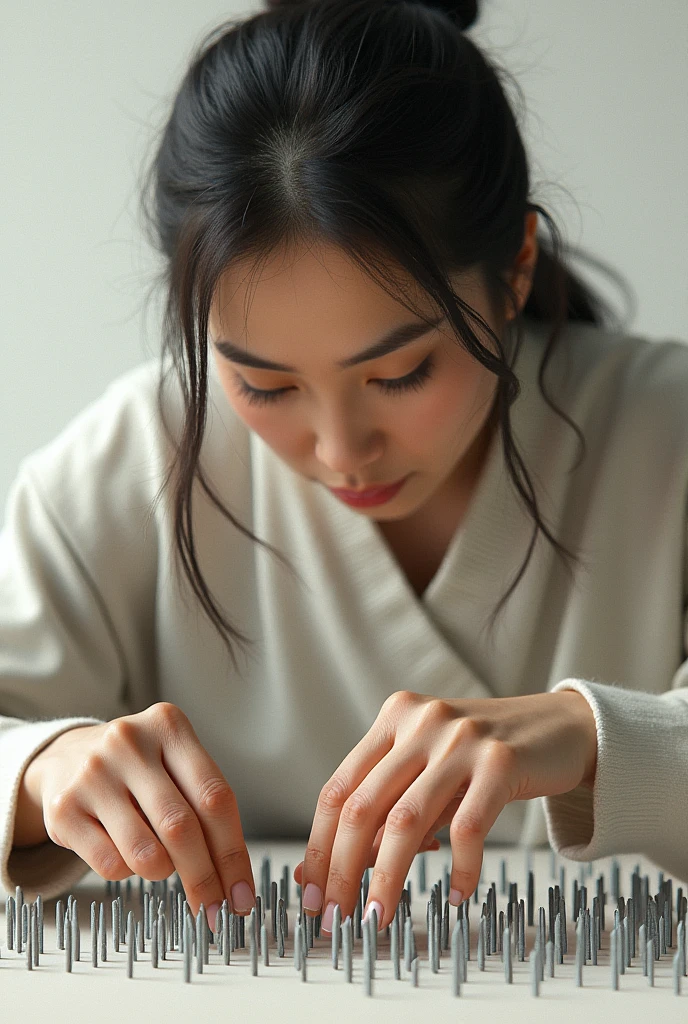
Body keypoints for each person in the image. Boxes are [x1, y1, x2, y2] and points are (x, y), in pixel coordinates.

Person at [2, 0, 687, 939]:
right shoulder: (127, 464)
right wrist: (39, 769)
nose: (340, 449)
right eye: (263, 385)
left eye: (401, 372)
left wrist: (594, 739)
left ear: (517, 266)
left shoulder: (667, 433)